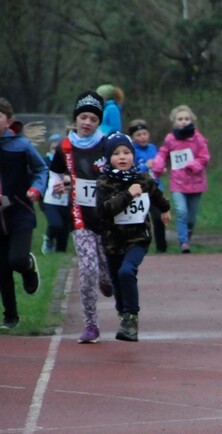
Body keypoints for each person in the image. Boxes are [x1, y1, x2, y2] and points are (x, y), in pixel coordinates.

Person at [49, 90, 115, 343]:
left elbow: (123, 169)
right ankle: (91, 325)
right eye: (83, 117)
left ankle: (107, 280)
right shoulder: (65, 146)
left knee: (107, 274)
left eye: (93, 119)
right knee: (87, 269)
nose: (87, 122)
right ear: (76, 118)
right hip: (79, 218)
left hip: (106, 218)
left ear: (99, 122)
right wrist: (59, 183)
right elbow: (54, 172)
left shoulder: (108, 143)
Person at [95, 132, 171, 341]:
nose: (122, 157)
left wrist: (165, 209)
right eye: (116, 153)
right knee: (117, 280)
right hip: (112, 240)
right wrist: (128, 194)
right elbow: (104, 210)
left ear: (133, 156)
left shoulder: (143, 179)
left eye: (126, 153)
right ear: (109, 158)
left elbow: (157, 194)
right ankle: (123, 311)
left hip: (138, 237)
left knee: (127, 272)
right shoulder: (104, 183)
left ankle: (131, 319)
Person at [0, 98, 47, 331]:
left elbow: (41, 169)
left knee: (16, 259)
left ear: (8, 120)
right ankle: (10, 314)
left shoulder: (21, 146)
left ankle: (28, 267)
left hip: (20, 211)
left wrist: (37, 188)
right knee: (1, 268)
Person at [150, 105, 209, 253]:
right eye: (180, 119)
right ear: (174, 121)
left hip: (196, 182)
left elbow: (204, 157)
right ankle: (184, 243)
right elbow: (163, 154)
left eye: (187, 119)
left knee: (191, 219)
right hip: (178, 182)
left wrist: (193, 165)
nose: (184, 121)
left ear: (192, 120)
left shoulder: (198, 138)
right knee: (181, 211)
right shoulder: (170, 139)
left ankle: (188, 233)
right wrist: (157, 166)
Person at [127, 119, 167, 253]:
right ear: (133, 138)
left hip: (155, 189)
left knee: (158, 218)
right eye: (138, 135)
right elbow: (130, 170)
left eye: (144, 134)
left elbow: (158, 165)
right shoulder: (131, 151)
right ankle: (140, 246)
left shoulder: (153, 148)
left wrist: (161, 169)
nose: (142, 137)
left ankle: (162, 248)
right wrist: (145, 166)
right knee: (140, 220)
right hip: (140, 191)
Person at [41, 133, 72, 254]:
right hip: (51, 200)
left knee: (64, 232)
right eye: (54, 149)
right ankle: (48, 238)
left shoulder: (72, 163)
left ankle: (60, 254)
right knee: (56, 224)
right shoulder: (48, 162)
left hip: (68, 201)